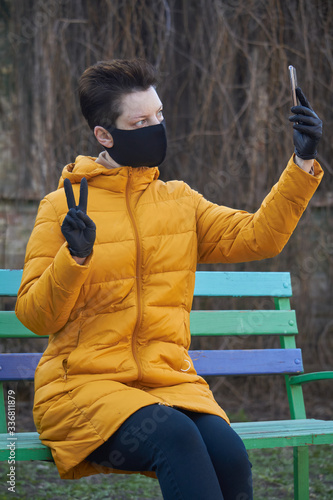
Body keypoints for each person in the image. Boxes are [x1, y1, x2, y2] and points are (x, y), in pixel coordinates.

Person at [15, 59, 323, 500]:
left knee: (230, 457)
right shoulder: (62, 207)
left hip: (168, 382)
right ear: (105, 135)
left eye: (158, 116)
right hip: (81, 386)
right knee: (174, 437)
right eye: (140, 121)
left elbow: (258, 236)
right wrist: (74, 256)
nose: (156, 127)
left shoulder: (180, 202)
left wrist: (302, 161)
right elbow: (34, 316)